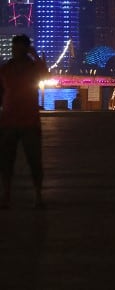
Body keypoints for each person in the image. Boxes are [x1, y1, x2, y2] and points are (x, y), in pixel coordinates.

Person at [0, 35, 48, 209]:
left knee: (34, 161)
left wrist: (35, 55)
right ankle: (6, 194)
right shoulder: (6, 69)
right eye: (14, 48)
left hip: (29, 122)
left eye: (19, 48)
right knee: (6, 161)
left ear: (26, 49)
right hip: (8, 122)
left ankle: (38, 195)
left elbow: (45, 75)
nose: (15, 51)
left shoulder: (33, 68)